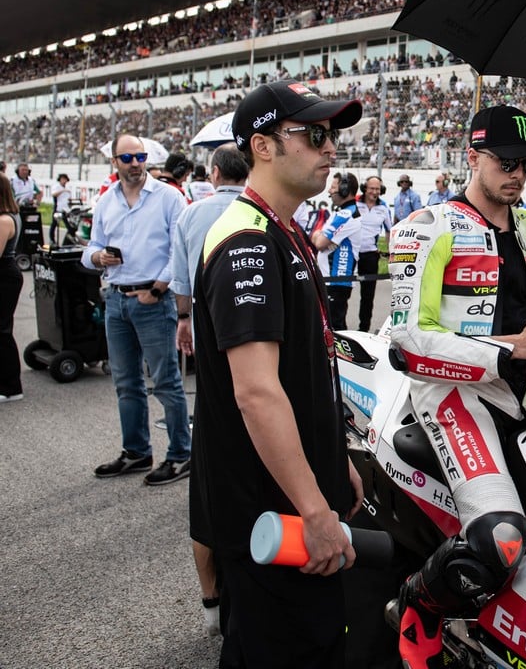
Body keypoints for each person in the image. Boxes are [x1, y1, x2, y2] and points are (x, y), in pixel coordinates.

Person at [389, 105, 526, 668]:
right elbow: (406, 343)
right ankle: (418, 603)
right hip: (453, 394)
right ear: (471, 156)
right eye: (505, 161)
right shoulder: (426, 228)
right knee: (500, 539)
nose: (517, 174)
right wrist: (509, 349)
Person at [190, 80, 364, 666]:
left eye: (333, 134)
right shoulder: (248, 239)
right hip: (272, 510)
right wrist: (315, 510)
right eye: (314, 135)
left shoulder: (283, 230)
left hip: (291, 490)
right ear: (262, 146)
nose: (331, 148)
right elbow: (258, 393)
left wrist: (332, 461)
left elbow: (300, 374)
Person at [168, 143, 249, 635]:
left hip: (211, 350)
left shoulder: (193, 214)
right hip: (263, 353)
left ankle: (212, 602)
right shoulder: (266, 215)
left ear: (214, 172)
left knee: (210, 484)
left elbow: (181, 281)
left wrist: (183, 318)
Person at [84, 134, 191, 486]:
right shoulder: (106, 201)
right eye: (127, 158)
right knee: (126, 382)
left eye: (140, 156)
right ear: (114, 162)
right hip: (116, 299)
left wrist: (158, 287)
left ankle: (180, 454)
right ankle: (137, 452)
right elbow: (92, 247)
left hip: (152, 300)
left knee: (166, 382)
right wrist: (98, 257)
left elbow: (181, 250)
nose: (134, 163)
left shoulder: (168, 197)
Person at [310, 172, 360, 331]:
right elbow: (319, 238)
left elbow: (319, 242)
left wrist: (318, 235)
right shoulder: (342, 213)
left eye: (333, 187)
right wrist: (319, 235)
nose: (330, 192)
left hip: (336, 280)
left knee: (334, 330)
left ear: (345, 189)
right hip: (332, 280)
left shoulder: (347, 214)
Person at [350, 175, 391, 332]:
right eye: (372, 188)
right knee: (343, 291)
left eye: (378, 189)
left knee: (367, 296)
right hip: (352, 255)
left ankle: (363, 329)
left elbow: (389, 231)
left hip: (370, 255)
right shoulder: (355, 204)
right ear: (364, 189)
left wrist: (389, 252)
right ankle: (339, 327)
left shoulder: (383, 208)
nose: (375, 192)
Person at [0, 175, 23, 402]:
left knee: (2, 331)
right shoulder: (10, 215)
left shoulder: (5, 220)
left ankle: (11, 387)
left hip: (4, 276)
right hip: (7, 274)